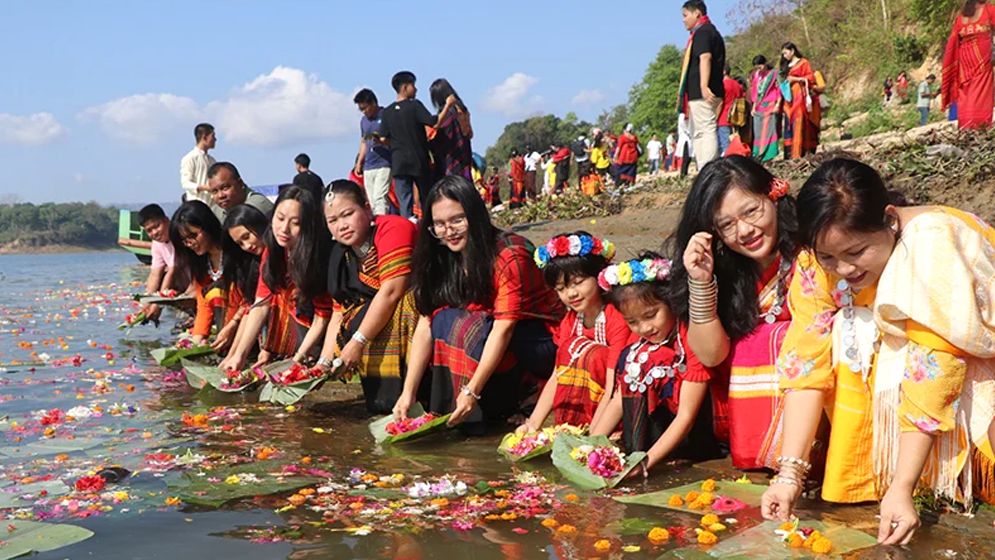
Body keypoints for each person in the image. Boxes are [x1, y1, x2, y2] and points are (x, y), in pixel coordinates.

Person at [760, 158, 995, 545]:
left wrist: (901, 488)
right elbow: (806, 361)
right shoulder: (815, 261)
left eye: (856, 252)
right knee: (847, 329)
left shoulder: (930, 241)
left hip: (967, 366)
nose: (844, 269)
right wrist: (789, 478)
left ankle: (921, 478)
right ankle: (873, 477)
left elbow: (933, 368)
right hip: (921, 374)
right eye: (830, 257)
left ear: (888, 219)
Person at [391, 176, 564, 433]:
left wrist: (472, 391)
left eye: (457, 220)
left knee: (463, 324)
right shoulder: (442, 256)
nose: (449, 231)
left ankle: (510, 398)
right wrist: (408, 391)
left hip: (536, 343)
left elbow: (504, 328)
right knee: (444, 319)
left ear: (476, 214)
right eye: (439, 224)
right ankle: (450, 408)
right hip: (489, 336)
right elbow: (426, 323)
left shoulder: (509, 254)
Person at [670, 156, 799, 469]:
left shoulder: (812, 252)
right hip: (750, 435)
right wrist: (701, 282)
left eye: (751, 211)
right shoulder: (724, 274)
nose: (745, 231)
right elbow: (712, 355)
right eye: (727, 225)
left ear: (775, 194)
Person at [590, 254, 725, 474]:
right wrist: (591, 446)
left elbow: (686, 415)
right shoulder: (639, 343)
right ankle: (639, 447)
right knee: (636, 357)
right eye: (632, 322)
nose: (644, 328)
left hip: (697, 433)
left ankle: (668, 454)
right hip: (657, 434)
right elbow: (618, 399)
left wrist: (645, 463)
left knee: (648, 360)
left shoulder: (691, 338)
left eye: (651, 315)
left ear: (671, 302)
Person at [315, 180, 419, 413]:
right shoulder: (339, 257)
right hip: (377, 312)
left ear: (367, 208)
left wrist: (358, 342)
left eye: (347, 214)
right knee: (356, 315)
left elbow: (392, 290)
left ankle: (412, 392)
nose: (341, 226)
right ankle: (385, 401)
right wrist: (322, 363)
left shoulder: (393, 228)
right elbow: (338, 312)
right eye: (333, 221)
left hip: (416, 309)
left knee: (404, 305)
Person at [518, 233, 630, 431]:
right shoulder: (570, 320)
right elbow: (558, 375)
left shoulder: (616, 318)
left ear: (598, 276)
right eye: (561, 288)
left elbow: (613, 388)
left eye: (578, 283)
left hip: (618, 403)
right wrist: (532, 425)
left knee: (593, 355)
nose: (571, 294)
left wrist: (593, 437)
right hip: (590, 410)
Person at [218, 186, 334, 371]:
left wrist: (296, 361)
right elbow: (260, 304)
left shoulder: (319, 256)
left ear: (307, 225)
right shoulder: (274, 250)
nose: (284, 229)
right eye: (280, 218)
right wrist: (238, 357)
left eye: (295, 223)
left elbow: (324, 316)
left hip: (323, 328)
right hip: (302, 327)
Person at [378, 71, 459, 218]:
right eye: (413, 85)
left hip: (399, 162)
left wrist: (396, 143)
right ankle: (430, 228)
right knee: (426, 198)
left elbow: (382, 139)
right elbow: (435, 123)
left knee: (405, 202)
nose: (415, 89)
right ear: (404, 88)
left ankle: (408, 231)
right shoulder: (414, 106)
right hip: (418, 160)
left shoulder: (387, 112)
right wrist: (448, 105)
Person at [168, 201, 227, 346]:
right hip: (224, 330)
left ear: (207, 225)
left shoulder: (232, 252)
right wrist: (197, 338)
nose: (190, 244)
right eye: (184, 241)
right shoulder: (200, 263)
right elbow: (204, 303)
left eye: (193, 236)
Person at [678, 0, 725, 169]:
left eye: (685, 15)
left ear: (697, 13)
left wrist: (704, 86)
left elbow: (705, 58)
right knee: (698, 132)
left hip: (703, 91)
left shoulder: (703, 33)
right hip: (700, 92)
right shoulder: (710, 31)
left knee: (705, 129)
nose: (683, 20)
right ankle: (703, 167)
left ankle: (708, 168)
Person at [217, 205, 270, 355]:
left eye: (247, 237)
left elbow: (259, 307)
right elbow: (250, 306)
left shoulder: (273, 255)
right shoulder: (252, 263)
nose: (247, 246)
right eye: (240, 243)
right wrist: (233, 355)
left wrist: (237, 355)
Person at [942, 0, 995, 129]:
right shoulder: (989, 10)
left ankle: (966, 128)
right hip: (982, 61)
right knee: (981, 95)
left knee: (966, 95)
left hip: (964, 63)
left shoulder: (961, 17)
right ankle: (979, 127)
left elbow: (954, 41)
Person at [137, 204, 186, 324]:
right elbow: (155, 274)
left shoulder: (179, 235)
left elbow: (174, 269)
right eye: (149, 230)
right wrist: (147, 303)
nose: (154, 233)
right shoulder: (157, 244)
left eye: (157, 226)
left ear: (166, 220)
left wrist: (158, 304)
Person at [353, 89, 393, 215]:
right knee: (371, 200)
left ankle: (381, 222)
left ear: (373, 103)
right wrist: (359, 161)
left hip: (384, 162)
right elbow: (364, 141)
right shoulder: (363, 121)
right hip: (369, 165)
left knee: (380, 197)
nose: (364, 112)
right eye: (361, 109)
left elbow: (396, 140)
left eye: (365, 108)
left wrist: (382, 142)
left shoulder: (386, 115)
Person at [780, 42, 821, 159]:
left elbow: (810, 78)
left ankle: (800, 152)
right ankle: (790, 153)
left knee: (799, 121)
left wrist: (796, 79)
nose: (784, 56)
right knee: (789, 124)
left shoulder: (804, 62)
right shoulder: (786, 66)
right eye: (783, 54)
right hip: (789, 99)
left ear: (792, 51)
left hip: (800, 96)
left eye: (785, 53)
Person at [429, 78, 474, 181]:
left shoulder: (447, 114)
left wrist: (447, 105)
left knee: (452, 188)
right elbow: (470, 134)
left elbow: (436, 126)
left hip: (451, 158)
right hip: (464, 155)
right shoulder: (462, 110)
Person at [206, 162, 275, 222]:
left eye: (225, 188)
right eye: (214, 191)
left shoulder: (256, 205)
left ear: (240, 183)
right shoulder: (216, 212)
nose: (220, 195)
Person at [749, 55, 782, 163]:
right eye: (757, 68)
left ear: (765, 63)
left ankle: (769, 155)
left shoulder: (774, 74)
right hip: (759, 106)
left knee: (769, 130)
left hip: (770, 105)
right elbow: (754, 92)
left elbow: (779, 89)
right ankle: (758, 154)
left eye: (760, 67)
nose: (759, 69)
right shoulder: (756, 75)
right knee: (758, 132)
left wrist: (778, 104)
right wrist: (753, 106)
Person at [180, 123, 217, 206]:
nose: (215, 139)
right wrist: (204, 187)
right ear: (204, 137)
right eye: (213, 136)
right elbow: (186, 183)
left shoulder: (212, 160)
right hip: (196, 205)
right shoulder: (190, 158)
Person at [718, 65, 746, 156]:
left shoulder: (722, 85)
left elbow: (720, 102)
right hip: (735, 118)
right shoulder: (737, 85)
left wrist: (715, 117)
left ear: (723, 72)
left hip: (723, 117)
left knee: (725, 145)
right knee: (734, 144)